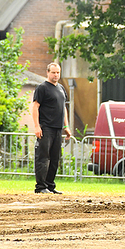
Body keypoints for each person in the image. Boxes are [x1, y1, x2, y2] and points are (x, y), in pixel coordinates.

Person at [32, 63, 71, 194]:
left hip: (58, 128)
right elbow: (35, 106)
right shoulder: (42, 88)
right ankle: (41, 187)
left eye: (58, 73)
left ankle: (50, 186)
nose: (56, 75)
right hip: (46, 127)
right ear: (48, 72)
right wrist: (37, 126)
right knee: (43, 157)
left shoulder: (61, 88)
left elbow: (63, 108)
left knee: (55, 158)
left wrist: (66, 126)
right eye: (53, 72)